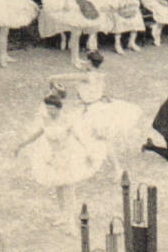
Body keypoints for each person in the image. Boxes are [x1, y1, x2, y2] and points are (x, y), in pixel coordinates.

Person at [49, 51, 144, 179]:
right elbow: (93, 93)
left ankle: (115, 168)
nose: (85, 63)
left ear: (89, 62)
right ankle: (97, 164)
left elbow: (69, 76)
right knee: (85, 136)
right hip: (95, 108)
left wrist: (53, 77)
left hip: (94, 112)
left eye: (86, 61)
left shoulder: (87, 76)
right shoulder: (99, 76)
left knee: (95, 139)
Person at [13, 92, 99, 225]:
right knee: (58, 186)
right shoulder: (45, 120)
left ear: (58, 108)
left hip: (67, 156)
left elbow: (79, 137)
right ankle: (62, 214)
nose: (50, 111)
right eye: (48, 108)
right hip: (53, 157)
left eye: (52, 109)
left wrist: (89, 152)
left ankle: (70, 217)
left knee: (68, 187)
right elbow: (35, 135)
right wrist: (21, 145)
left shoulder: (66, 120)